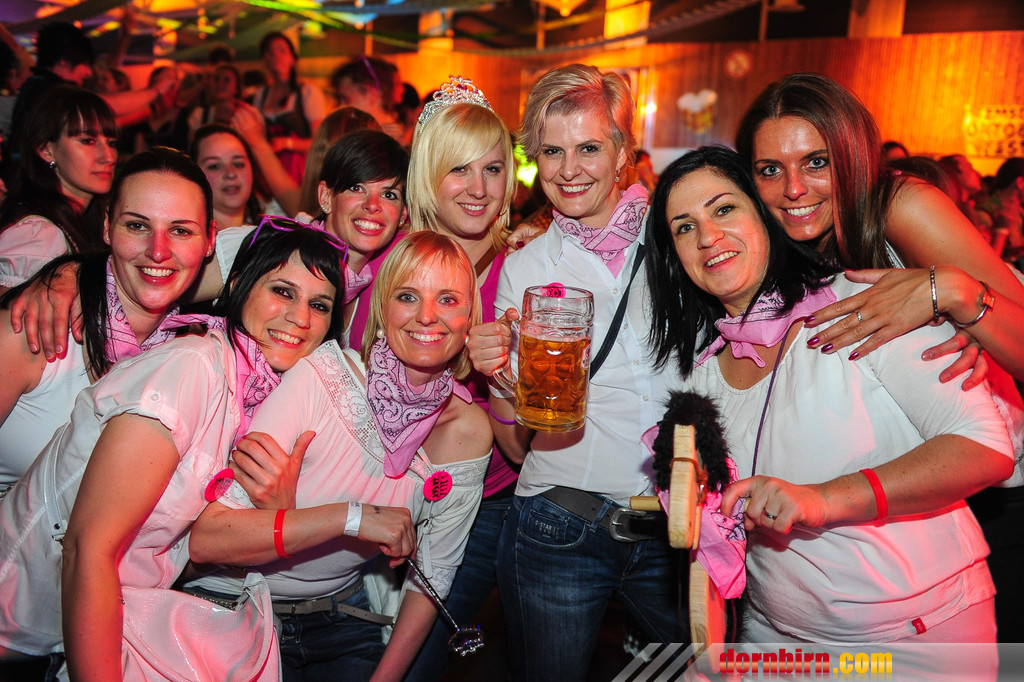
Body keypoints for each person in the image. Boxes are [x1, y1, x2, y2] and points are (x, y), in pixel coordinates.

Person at [645, 146, 1012, 658]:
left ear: (766, 215)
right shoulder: (704, 375)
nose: (707, 237)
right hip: (772, 637)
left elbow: (986, 446)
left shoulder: (865, 304)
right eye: (684, 227)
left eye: (724, 209)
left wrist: (822, 499)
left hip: (917, 634)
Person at [0, 219, 345, 680]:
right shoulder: (191, 368)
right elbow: (89, 548)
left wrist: (274, 512)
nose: (301, 318)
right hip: (16, 630)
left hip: (71, 636)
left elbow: (185, 546)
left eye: (319, 305)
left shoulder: (251, 396)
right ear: (238, 286)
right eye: (283, 291)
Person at [466, 63, 688, 681]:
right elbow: (517, 443)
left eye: (588, 148)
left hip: (678, 525)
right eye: (552, 152)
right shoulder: (526, 267)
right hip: (558, 522)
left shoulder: (677, 241)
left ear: (622, 154)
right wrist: (498, 380)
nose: (568, 170)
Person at [187, 231, 489, 681]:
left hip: (341, 617)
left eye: (447, 300)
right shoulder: (321, 376)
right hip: (239, 607)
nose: (427, 316)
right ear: (383, 310)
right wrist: (352, 518)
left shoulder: (469, 433)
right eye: (408, 296)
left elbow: (434, 575)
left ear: (470, 320)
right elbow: (207, 540)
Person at [735, 72, 1024, 384]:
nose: (793, 189)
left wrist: (952, 291)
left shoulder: (901, 204)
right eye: (771, 169)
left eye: (816, 162)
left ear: (852, 156)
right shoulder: (760, 238)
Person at [0, 147, 215, 489]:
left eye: (180, 231)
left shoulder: (188, 352)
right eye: (137, 225)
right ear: (107, 226)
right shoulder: (37, 324)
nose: (157, 251)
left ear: (210, 240)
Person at [403, 76, 518, 680]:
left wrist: (499, 379)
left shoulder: (525, 270)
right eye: (458, 169)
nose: (478, 189)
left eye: (492, 169)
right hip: (384, 494)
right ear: (428, 173)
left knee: (418, 663)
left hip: (485, 507)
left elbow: (521, 448)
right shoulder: (392, 260)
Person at [0, 85, 116, 291]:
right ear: (46, 150)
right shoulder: (38, 235)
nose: (107, 157)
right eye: (88, 141)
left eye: (111, 143)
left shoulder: (93, 218)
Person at [252, 32, 326, 184]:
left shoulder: (307, 92)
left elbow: (321, 143)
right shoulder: (261, 94)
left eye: (281, 50)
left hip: (299, 174)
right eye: (270, 51)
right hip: (267, 173)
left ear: (293, 59)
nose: (275, 55)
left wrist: (287, 143)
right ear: (264, 59)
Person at [189, 123, 262, 230]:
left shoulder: (271, 232)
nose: (230, 174)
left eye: (238, 164)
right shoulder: (188, 238)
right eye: (214, 166)